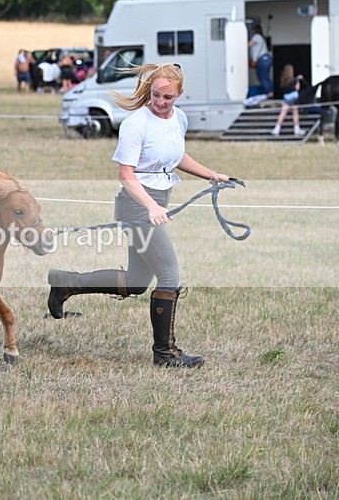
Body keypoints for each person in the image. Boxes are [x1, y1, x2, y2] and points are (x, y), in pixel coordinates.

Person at [46, 63, 232, 368]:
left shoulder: (179, 119)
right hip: (138, 205)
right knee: (170, 275)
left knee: (135, 281)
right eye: (156, 95)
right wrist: (151, 207)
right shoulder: (135, 124)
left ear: (179, 94)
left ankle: (66, 283)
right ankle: (164, 354)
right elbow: (126, 174)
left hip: (155, 203)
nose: (160, 101)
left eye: (168, 97)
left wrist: (211, 174)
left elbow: (176, 155)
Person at [271, 64, 305, 137]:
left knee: (283, 113)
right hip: (294, 97)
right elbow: (297, 88)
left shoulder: (283, 80)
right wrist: (298, 80)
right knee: (295, 113)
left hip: (286, 97)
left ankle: (277, 129)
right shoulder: (294, 80)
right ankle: (297, 129)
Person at [248, 25, 273, 98]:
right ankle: (270, 92)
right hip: (266, 59)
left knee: (262, 77)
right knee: (266, 77)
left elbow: (249, 44)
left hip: (262, 60)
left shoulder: (257, 36)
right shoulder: (261, 37)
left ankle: (270, 93)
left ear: (255, 30)